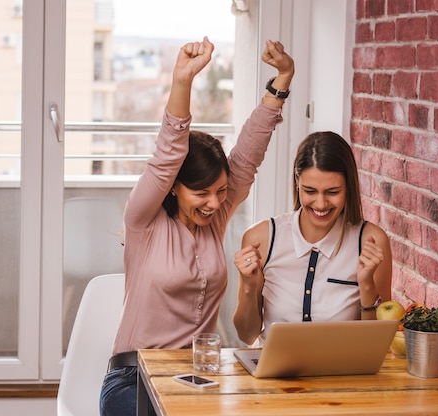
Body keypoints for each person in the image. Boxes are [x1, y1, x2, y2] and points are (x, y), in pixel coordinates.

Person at [99, 37, 294, 416]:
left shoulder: (214, 218)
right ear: (174, 186)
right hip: (134, 377)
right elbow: (168, 152)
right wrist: (183, 80)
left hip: (197, 375)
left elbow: (249, 154)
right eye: (201, 193)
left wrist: (282, 79)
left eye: (221, 191)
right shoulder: (144, 222)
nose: (215, 202)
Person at [232, 131, 392, 346]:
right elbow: (246, 334)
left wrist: (366, 285)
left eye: (333, 192)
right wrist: (249, 286)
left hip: (341, 375)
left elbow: (376, 344)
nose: (320, 204)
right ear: (297, 182)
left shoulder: (371, 240)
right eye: (310, 191)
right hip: (275, 376)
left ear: (349, 187)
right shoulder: (262, 237)